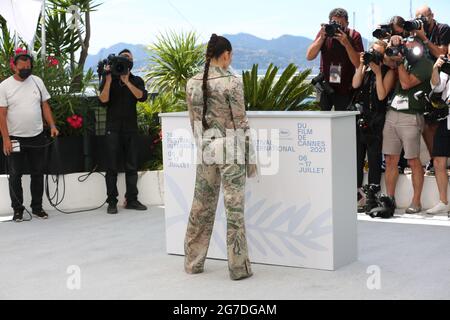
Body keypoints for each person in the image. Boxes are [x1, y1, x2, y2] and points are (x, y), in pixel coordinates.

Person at [184, 34, 256, 281]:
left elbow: (193, 122)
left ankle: (193, 263)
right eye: (231, 55)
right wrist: (251, 158)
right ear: (225, 55)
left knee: (201, 205)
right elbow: (241, 121)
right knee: (233, 209)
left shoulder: (192, 82)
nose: (231, 59)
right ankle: (238, 268)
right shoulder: (232, 82)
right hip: (230, 147)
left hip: (205, 147)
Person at [0, 50, 59, 222]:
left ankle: (37, 207)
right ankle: (17, 210)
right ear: (14, 67)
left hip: (37, 136)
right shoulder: (4, 86)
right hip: (15, 138)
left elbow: (45, 106)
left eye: (29, 66)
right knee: (15, 174)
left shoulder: (37, 82)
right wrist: (5, 139)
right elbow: (1, 115)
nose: (26, 69)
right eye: (23, 67)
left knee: (37, 173)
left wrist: (53, 126)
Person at [382, 37, 434, 215]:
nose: (409, 49)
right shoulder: (402, 58)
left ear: (420, 47)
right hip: (392, 114)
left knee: (413, 160)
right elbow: (385, 59)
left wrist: (400, 63)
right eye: (407, 45)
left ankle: (416, 201)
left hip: (411, 116)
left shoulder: (426, 64)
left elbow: (406, 83)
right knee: (390, 159)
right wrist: (391, 46)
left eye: (413, 46)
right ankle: (390, 199)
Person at [99, 49, 149, 214]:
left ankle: (132, 200)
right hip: (112, 129)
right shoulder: (109, 79)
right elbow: (103, 100)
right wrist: (107, 79)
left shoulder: (136, 80)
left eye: (129, 58)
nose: (126, 60)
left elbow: (141, 97)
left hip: (131, 129)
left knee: (132, 166)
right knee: (111, 167)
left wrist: (127, 81)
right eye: (123, 58)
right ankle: (112, 201)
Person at [352, 40, 396, 214]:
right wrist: (362, 65)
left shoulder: (388, 72)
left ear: (383, 55)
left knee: (374, 158)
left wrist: (378, 73)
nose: (374, 55)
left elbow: (381, 95)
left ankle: (371, 196)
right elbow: (355, 84)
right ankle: (357, 195)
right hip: (360, 117)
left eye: (377, 53)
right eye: (372, 51)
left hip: (376, 119)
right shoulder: (366, 69)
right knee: (357, 156)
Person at [414, 5, 450, 175]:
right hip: (422, 80)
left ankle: (439, 159)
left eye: (424, 16)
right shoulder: (415, 31)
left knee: (436, 120)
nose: (421, 20)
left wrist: (425, 38)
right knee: (426, 123)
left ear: (432, 15)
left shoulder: (442, 29)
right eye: (418, 17)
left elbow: (442, 54)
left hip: (441, 80)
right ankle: (432, 159)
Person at [306, 8, 364, 111]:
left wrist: (346, 43)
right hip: (326, 86)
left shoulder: (354, 36)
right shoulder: (324, 33)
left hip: (345, 87)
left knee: (342, 122)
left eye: (340, 24)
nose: (337, 27)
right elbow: (309, 56)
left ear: (347, 23)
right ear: (329, 22)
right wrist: (322, 38)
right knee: (322, 120)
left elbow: (358, 64)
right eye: (334, 23)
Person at [426, 54, 450, 215]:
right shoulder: (447, 69)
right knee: (438, 161)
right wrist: (436, 68)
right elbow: (437, 87)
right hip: (446, 119)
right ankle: (443, 201)